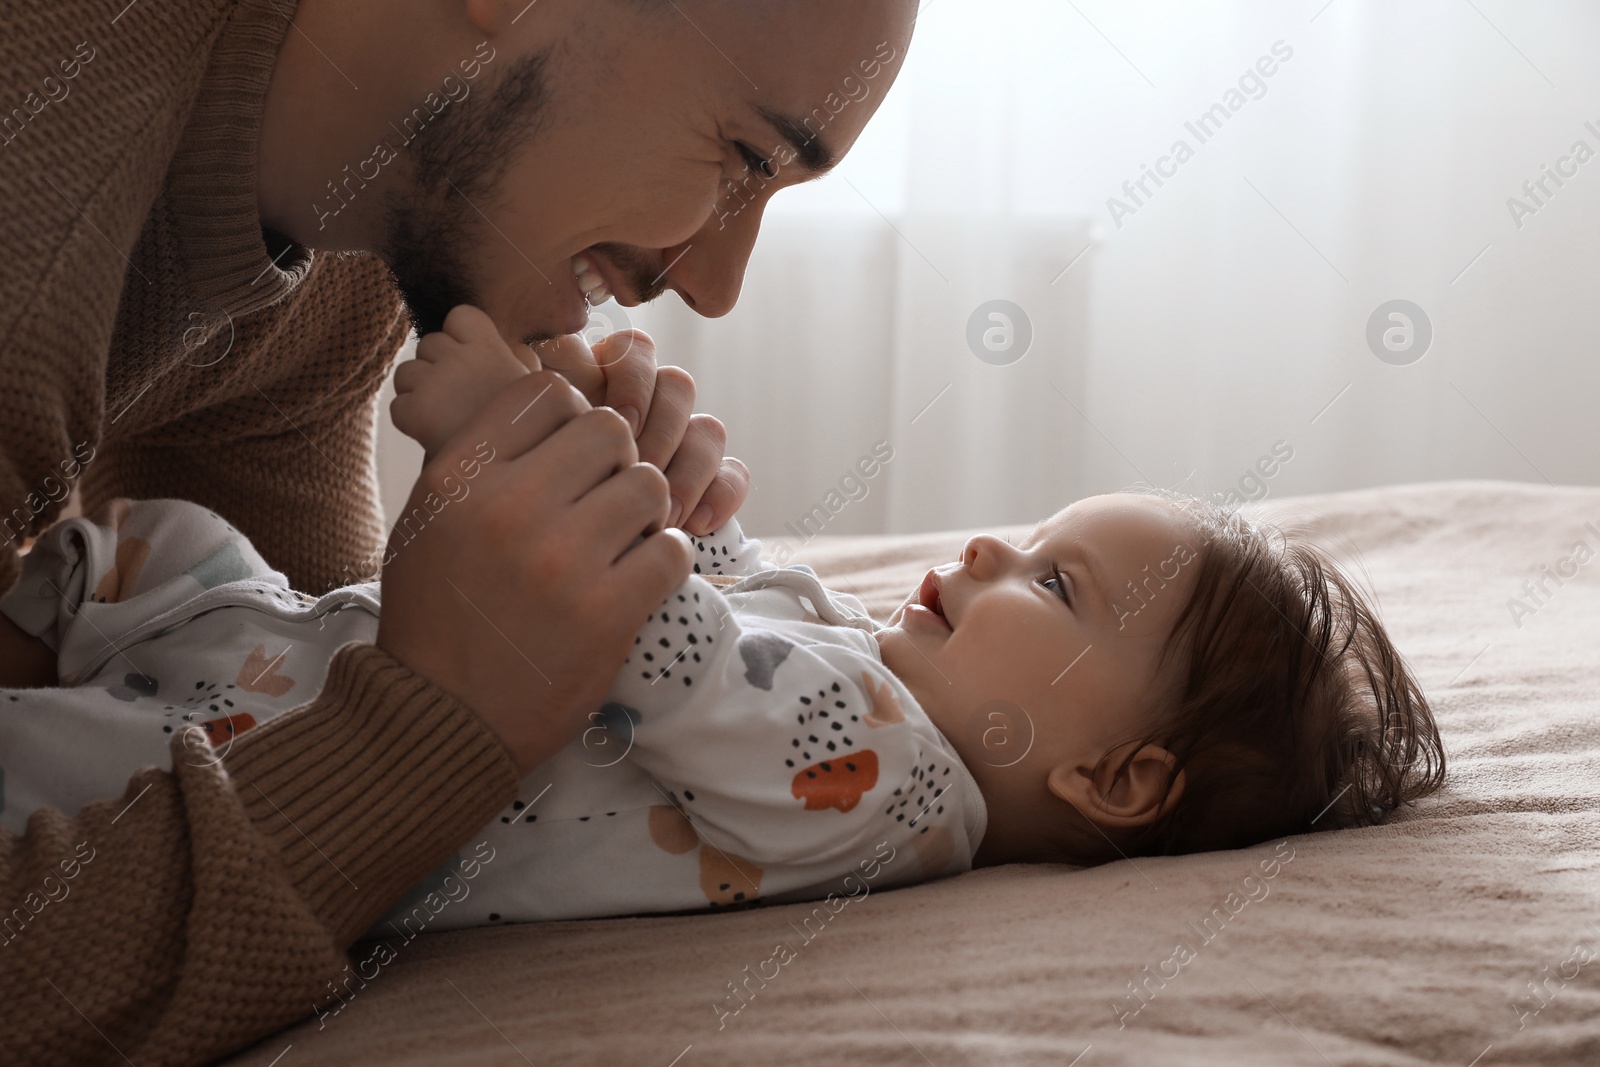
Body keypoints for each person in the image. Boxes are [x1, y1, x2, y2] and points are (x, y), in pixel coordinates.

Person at [0, 0, 918, 1060]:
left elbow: (269, 660)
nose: (712, 287)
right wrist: (433, 725)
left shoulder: (358, 224)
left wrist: (524, 530)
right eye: (742, 158)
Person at [1, 312, 1447, 956]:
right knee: (173, 548)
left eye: (1055, 586)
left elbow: (660, 637)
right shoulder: (878, 689)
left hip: (269, 740)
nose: (997, 546)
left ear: (1115, 778)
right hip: (293, 642)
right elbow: (733, 605)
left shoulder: (899, 793)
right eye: (1039, 530)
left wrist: (524, 436)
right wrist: (676, 481)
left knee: (71, 749)